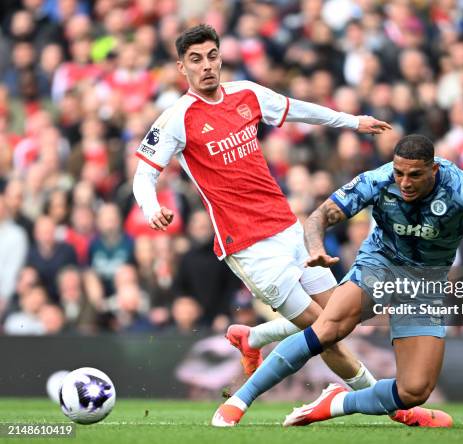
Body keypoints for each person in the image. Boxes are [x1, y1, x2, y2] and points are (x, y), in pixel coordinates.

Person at [133, 24, 434, 427]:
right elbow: (143, 174)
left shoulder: (247, 94)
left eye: (212, 56)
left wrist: (352, 121)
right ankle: (390, 406)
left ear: (220, 57)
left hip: (290, 230)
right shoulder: (176, 119)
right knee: (324, 331)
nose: (206, 66)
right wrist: (151, 207)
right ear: (181, 67)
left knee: (342, 317)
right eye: (195, 59)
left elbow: (299, 108)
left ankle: (254, 336)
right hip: (249, 247)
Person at [213, 134, 463, 427]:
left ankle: (337, 402)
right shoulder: (379, 179)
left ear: (433, 169)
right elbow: (319, 215)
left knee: (415, 390)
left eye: (414, 175)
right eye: (399, 173)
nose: (404, 182)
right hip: (381, 265)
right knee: (329, 328)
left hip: (425, 283)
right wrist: (316, 247)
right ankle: (241, 400)